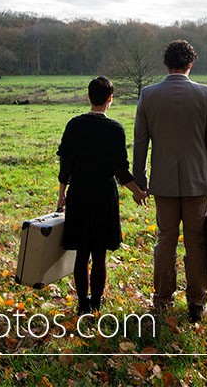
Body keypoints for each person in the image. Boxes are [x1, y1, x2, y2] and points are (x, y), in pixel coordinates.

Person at [133, 40, 207, 322]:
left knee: (165, 240)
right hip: (198, 182)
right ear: (190, 64)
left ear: (166, 64)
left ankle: (161, 300)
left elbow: (140, 143)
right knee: (196, 243)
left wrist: (140, 180)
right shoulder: (205, 94)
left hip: (162, 183)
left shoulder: (148, 95)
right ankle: (197, 303)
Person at [56, 76, 148, 314]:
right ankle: (96, 303)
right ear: (110, 99)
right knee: (99, 254)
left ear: (88, 96)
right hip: (104, 197)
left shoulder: (74, 125)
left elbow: (65, 165)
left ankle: (82, 304)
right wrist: (137, 192)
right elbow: (120, 170)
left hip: (79, 194)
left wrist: (61, 194)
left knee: (81, 253)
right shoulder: (115, 129)